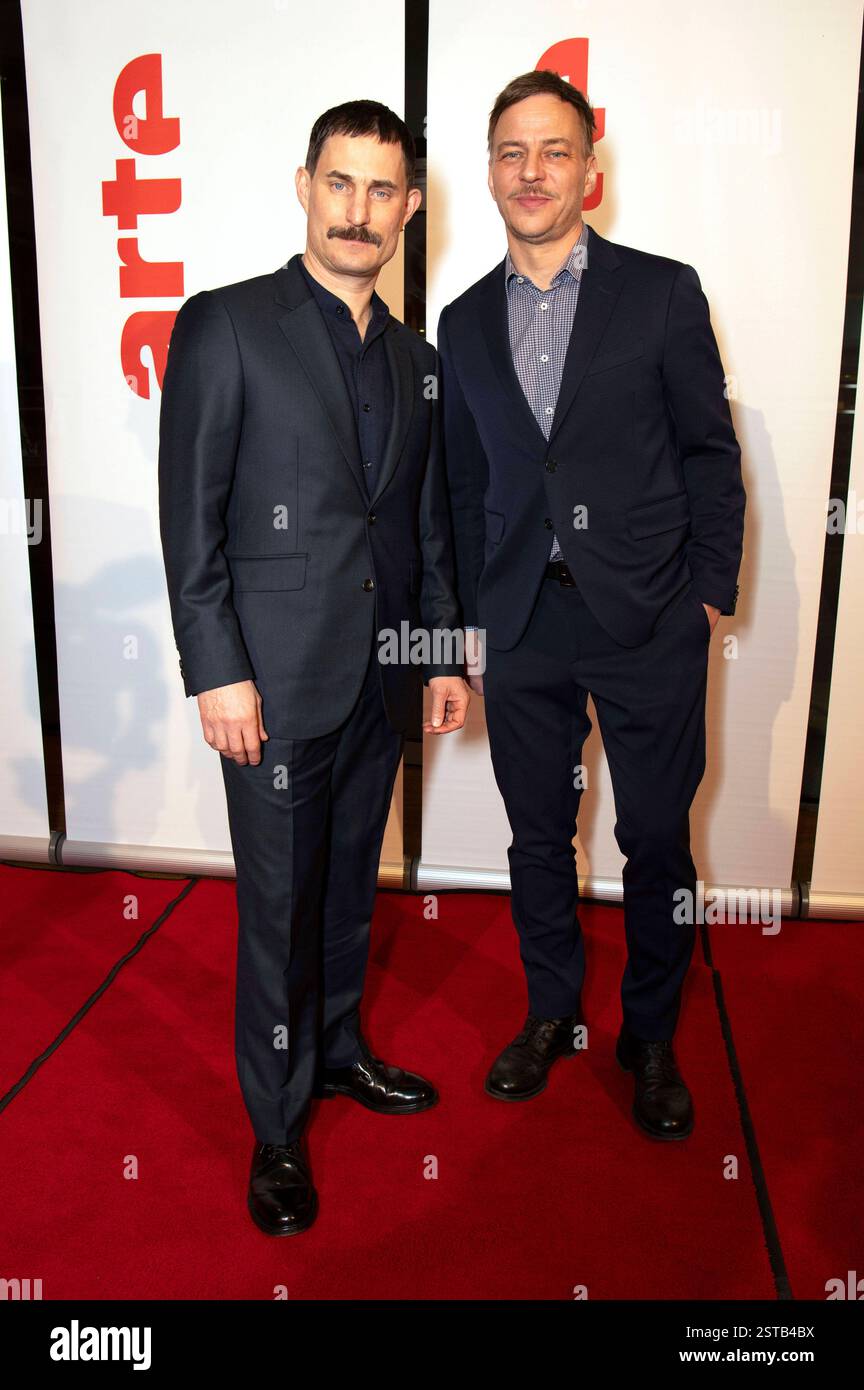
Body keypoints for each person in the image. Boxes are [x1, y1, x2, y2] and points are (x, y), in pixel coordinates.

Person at [158, 100, 470, 1234]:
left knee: (347, 896)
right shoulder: (225, 325)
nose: (359, 211)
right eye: (340, 184)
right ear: (304, 187)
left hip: (381, 681)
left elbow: (426, 525)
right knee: (279, 908)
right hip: (272, 688)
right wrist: (215, 669)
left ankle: (339, 1052)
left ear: (410, 208)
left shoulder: (419, 360)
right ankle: (277, 1125)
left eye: (382, 191)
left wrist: (440, 653)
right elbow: (188, 518)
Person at [437, 70, 745, 1140]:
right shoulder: (463, 320)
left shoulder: (662, 292)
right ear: (489, 173)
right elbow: (465, 484)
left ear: (590, 174)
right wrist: (472, 620)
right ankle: (552, 1017)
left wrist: (709, 591)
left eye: (554, 151)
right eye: (513, 152)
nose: (533, 171)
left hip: (651, 615)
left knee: (657, 837)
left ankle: (649, 1034)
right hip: (526, 621)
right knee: (536, 837)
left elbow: (711, 451)